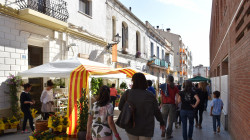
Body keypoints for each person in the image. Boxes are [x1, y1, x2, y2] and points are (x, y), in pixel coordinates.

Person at [119, 73, 165, 140]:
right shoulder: (150, 95)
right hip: (146, 127)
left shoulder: (127, 93)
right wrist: (161, 122)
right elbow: (156, 111)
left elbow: (120, 107)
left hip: (131, 126)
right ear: (144, 81)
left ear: (133, 81)